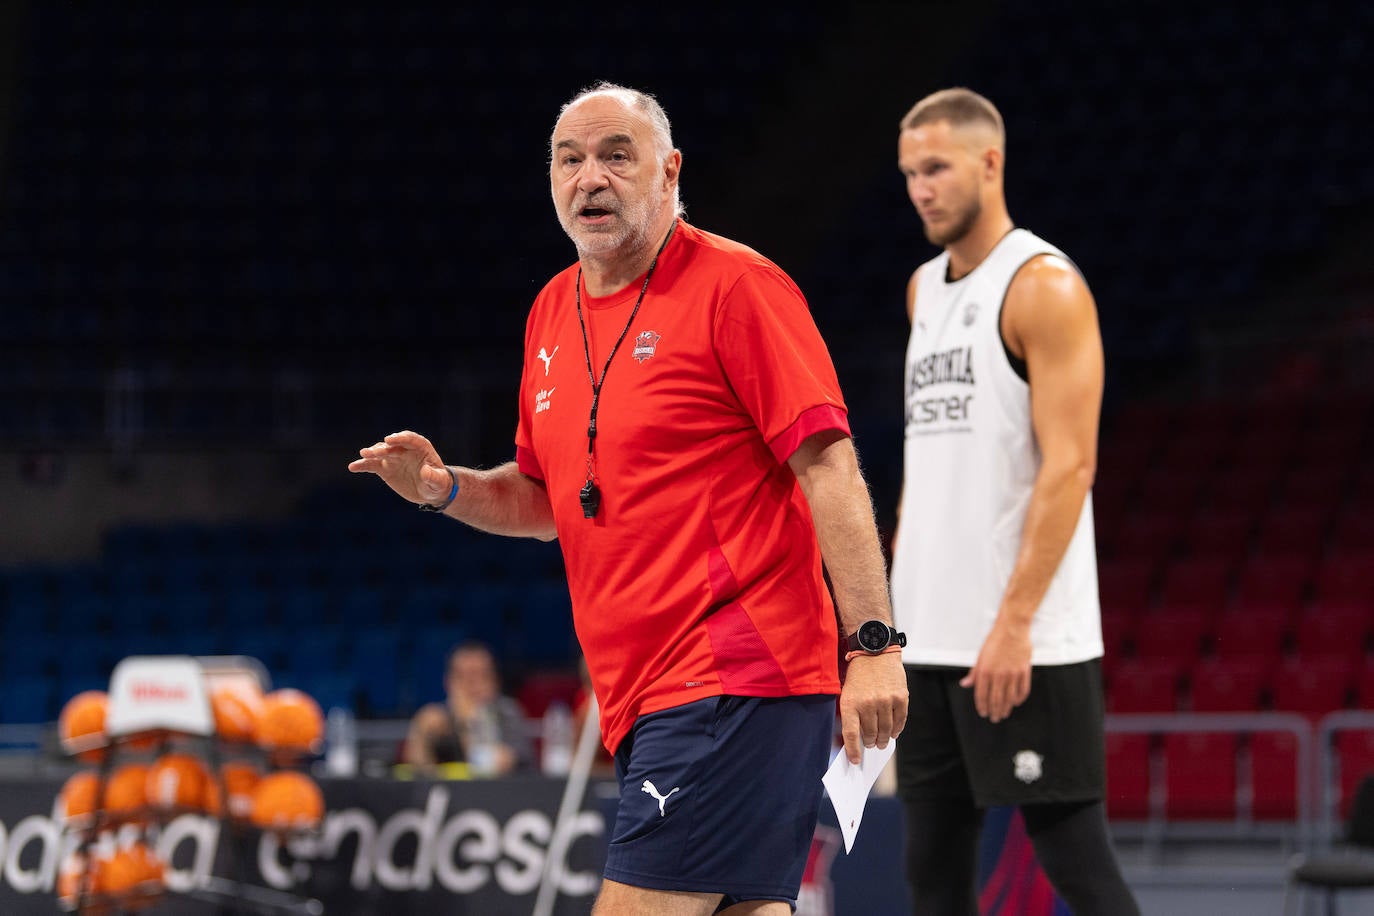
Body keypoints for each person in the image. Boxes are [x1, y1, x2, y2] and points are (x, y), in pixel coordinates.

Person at [349, 81, 907, 916]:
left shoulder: (736, 286)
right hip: (648, 695)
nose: (590, 179)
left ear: (669, 170)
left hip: (732, 677)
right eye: (569, 160)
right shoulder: (549, 312)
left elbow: (828, 466)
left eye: (617, 155)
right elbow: (546, 500)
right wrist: (444, 489)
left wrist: (872, 645)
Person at [889, 87, 1139, 915]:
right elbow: (928, 475)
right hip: (927, 640)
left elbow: (1071, 467)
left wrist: (1015, 623)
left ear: (989, 162)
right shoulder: (924, 290)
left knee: (1077, 863)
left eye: (936, 168)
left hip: (1024, 641)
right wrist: (885, 628)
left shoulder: (1044, 286)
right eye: (908, 172)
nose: (920, 187)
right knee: (931, 872)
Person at [401, 640, 534, 777]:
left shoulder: (507, 712)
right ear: (448, 682)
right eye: (464, 677)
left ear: (495, 680)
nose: (474, 686)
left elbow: (499, 763)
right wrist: (421, 735)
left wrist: (469, 723)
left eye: (481, 676)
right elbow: (415, 771)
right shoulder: (437, 718)